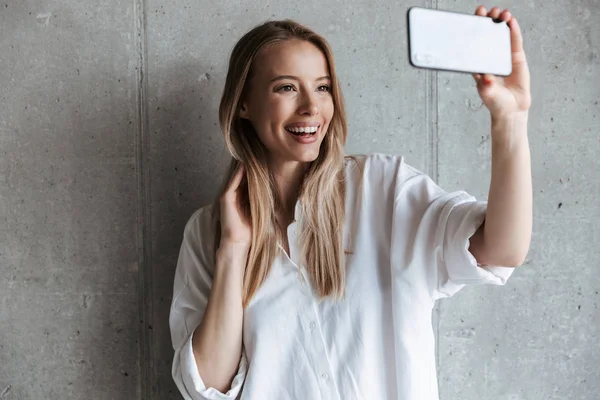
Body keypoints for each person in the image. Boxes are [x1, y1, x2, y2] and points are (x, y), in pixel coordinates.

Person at [169, 4, 532, 400]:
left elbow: (501, 250)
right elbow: (207, 387)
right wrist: (234, 250)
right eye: (286, 87)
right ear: (243, 104)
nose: (311, 107)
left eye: (322, 87)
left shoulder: (383, 189)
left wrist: (509, 118)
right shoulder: (208, 232)